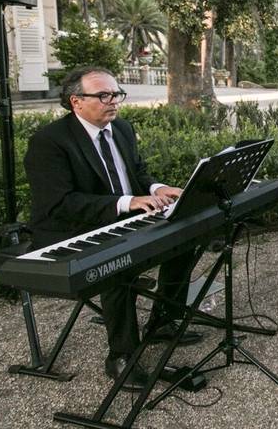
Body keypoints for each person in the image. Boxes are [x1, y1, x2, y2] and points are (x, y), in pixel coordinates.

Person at [25, 66, 202, 391]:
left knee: (184, 234)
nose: (113, 102)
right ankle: (121, 357)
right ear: (76, 101)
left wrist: (156, 189)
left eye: (116, 94)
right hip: (72, 229)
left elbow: (137, 173)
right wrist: (125, 203)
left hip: (121, 214)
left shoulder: (121, 128)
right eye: (103, 95)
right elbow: (60, 204)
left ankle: (162, 321)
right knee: (118, 261)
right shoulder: (49, 143)